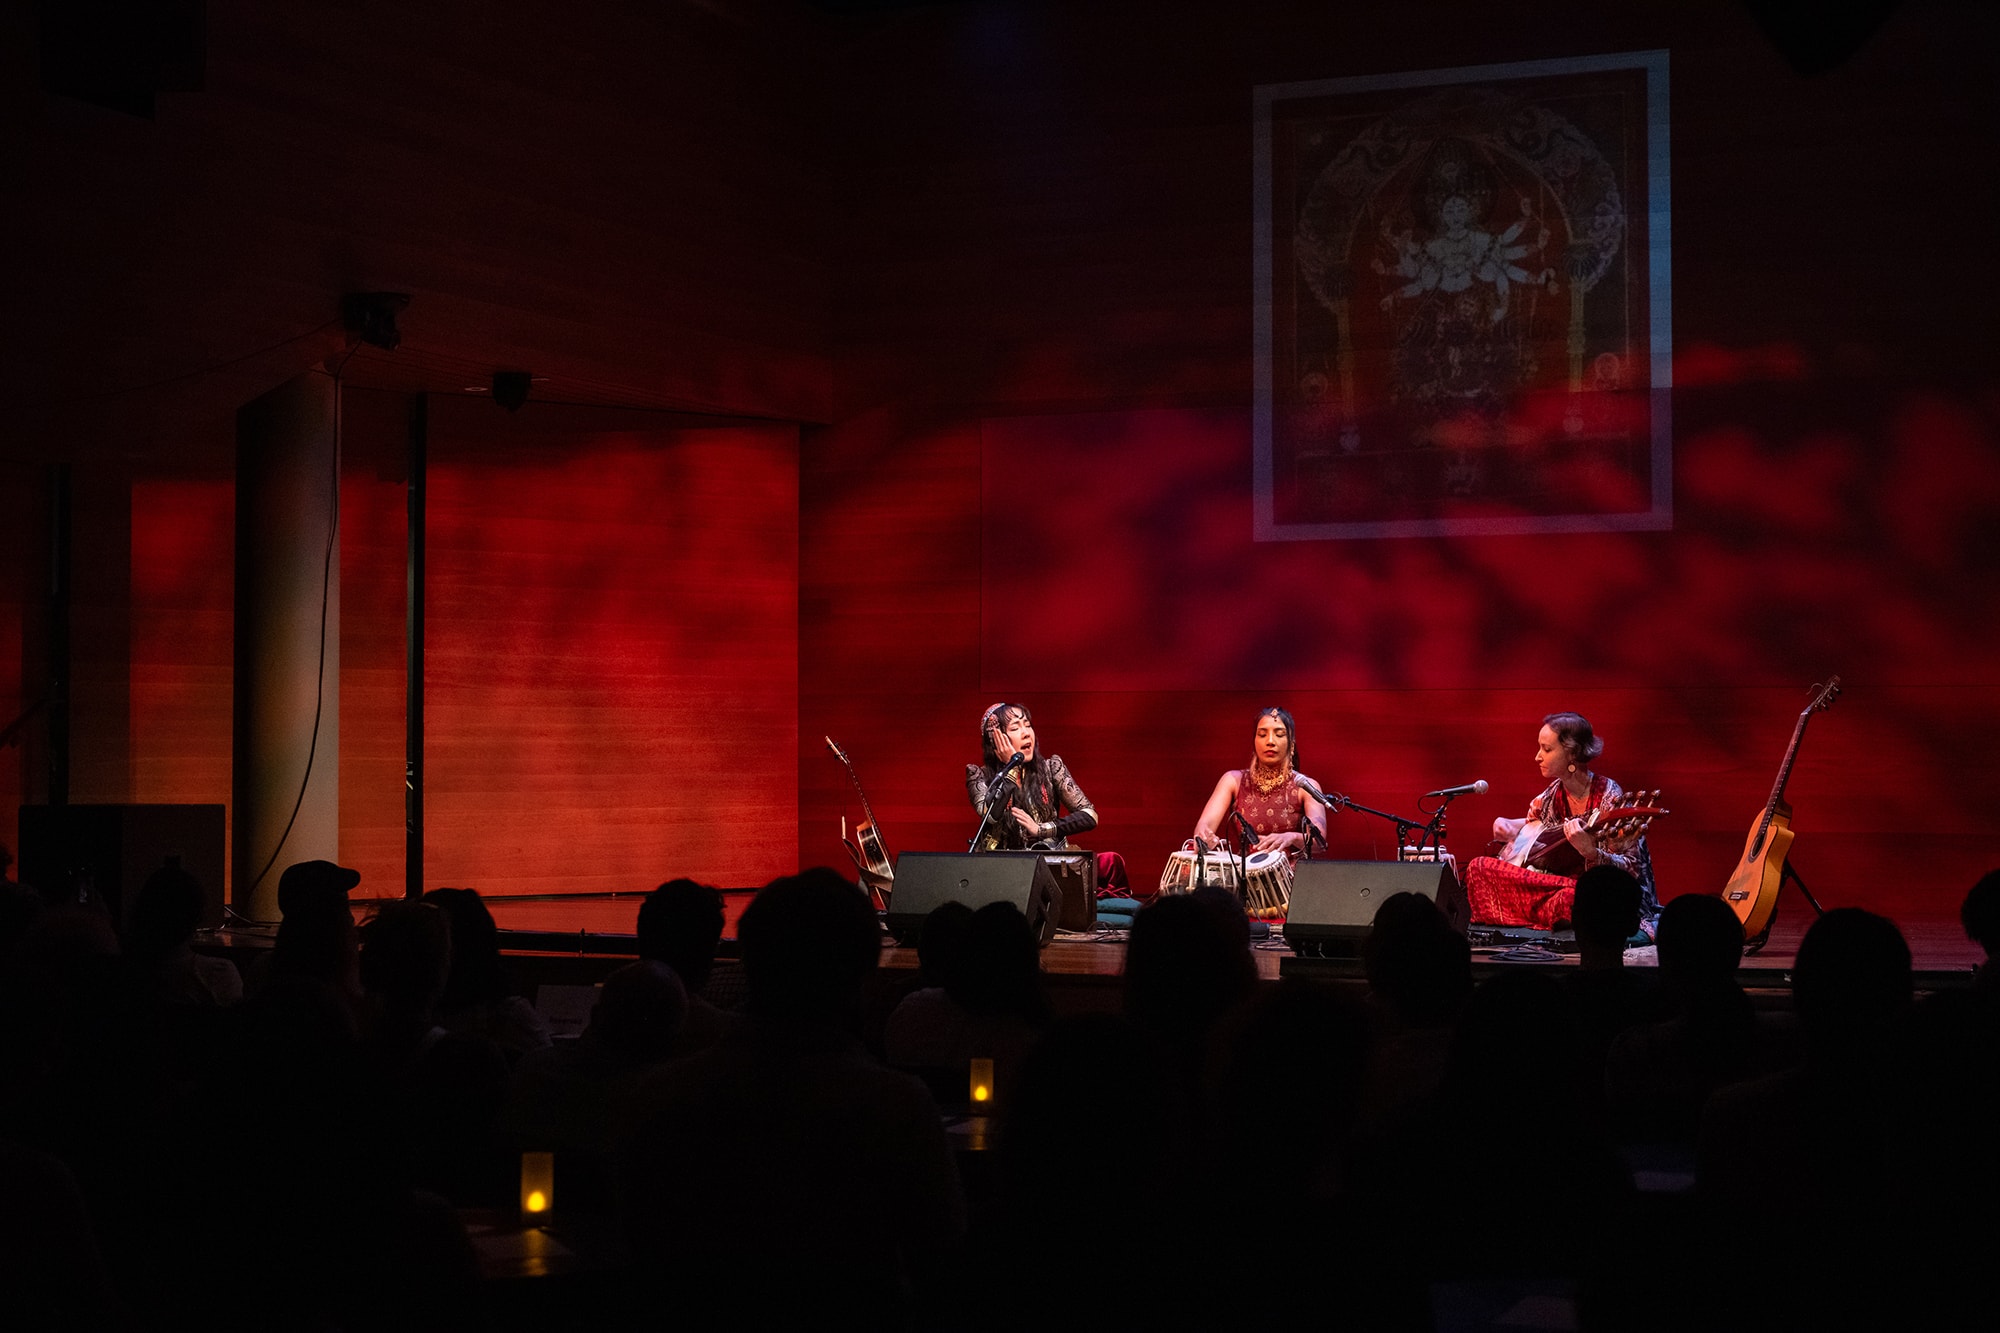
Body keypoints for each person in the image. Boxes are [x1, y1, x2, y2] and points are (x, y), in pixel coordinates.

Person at [1462, 712, 1659, 933]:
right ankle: (1546, 914)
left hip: (1595, 892)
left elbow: (1629, 871)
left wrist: (1591, 853)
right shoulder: (1549, 797)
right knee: (1479, 867)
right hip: (1554, 885)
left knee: (1571, 899)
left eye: (1547, 749)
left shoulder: (1609, 797)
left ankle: (1534, 914)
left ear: (1572, 754)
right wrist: (1509, 826)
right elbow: (1532, 830)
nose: (1537, 756)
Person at [966, 702, 1133, 924]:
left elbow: (1090, 815)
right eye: (1015, 728)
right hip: (1004, 870)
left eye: (1027, 725)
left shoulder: (1051, 768)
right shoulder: (979, 776)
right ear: (996, 738)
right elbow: (991, 813)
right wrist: (1011, 767)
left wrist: (1043, 830)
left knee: (1110, 862)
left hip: (1049, 863)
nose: (1026, 733)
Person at [1191, 707, 1329, 857]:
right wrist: (1204, 838)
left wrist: (1292, 837)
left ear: (1291, 742)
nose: (1270, 741)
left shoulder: (1305, 786)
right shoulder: (1232, 781)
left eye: (1279, 734)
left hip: (1295, 877)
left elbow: (1319, 842)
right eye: (1262, 735)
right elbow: (1205, 825)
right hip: (1245, 875)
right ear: (1254, 741)